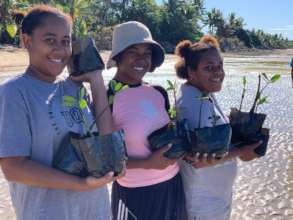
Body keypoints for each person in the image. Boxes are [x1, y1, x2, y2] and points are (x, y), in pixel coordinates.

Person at [0, 5, 118, 220]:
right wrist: (80, 184)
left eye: (65, 42)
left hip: (95, 210)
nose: (60, 49)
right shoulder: (14, 93)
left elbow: (107, 142)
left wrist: (97, 81)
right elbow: (13, 167)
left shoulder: (75, 88)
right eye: (50, 40)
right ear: (27, 41)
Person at [175, 36, 262, 220]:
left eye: (220, 65)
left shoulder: (204, 93)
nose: (218, 72)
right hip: (203, 202)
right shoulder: (192, 104)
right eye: (208, 67)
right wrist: (241, 150)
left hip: (215, 196)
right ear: (191, 72)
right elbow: (198, 160)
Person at [107, 21, 187, 220]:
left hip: (173, 184)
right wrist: (147, 162)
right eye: (133, 52)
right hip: (134, 193)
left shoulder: (158, 92)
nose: (142, 59)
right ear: (118, 56)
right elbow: (105, 160)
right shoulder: (106, 98)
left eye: (147, 53)